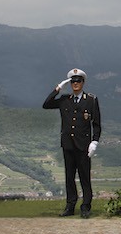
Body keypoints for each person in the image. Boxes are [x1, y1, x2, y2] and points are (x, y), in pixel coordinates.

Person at [43, 68, 101, 218]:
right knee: (69, 177)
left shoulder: (91, 100)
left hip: (83, 146)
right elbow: (46, 104)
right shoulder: (64, 100)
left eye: (78, 81)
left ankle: (86, 206)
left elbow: (96, 124)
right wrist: (58, 88)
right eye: (73, 81)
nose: (75, 84)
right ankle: (70, 206)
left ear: (83, 82)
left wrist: (94, 141)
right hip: (68, 144)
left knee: (84, 177)